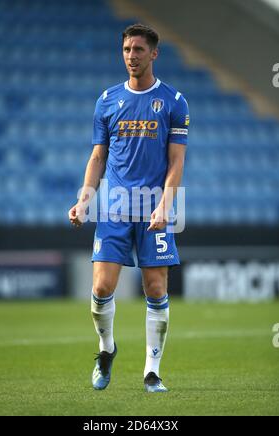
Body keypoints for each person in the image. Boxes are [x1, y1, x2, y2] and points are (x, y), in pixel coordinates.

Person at [68, 23, 189, 393]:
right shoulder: (106, 100)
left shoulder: (174, 101)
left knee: (155, 288)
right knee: (102, 288)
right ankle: (106, 350)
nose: (131, 56)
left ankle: (152, 371)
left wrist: (165, 205)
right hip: (117, 206)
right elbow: (98, 155)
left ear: (154, 54)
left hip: (155, 207)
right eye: (126, 50)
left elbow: (176, 162)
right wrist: (84, 198)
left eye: (138, 50)